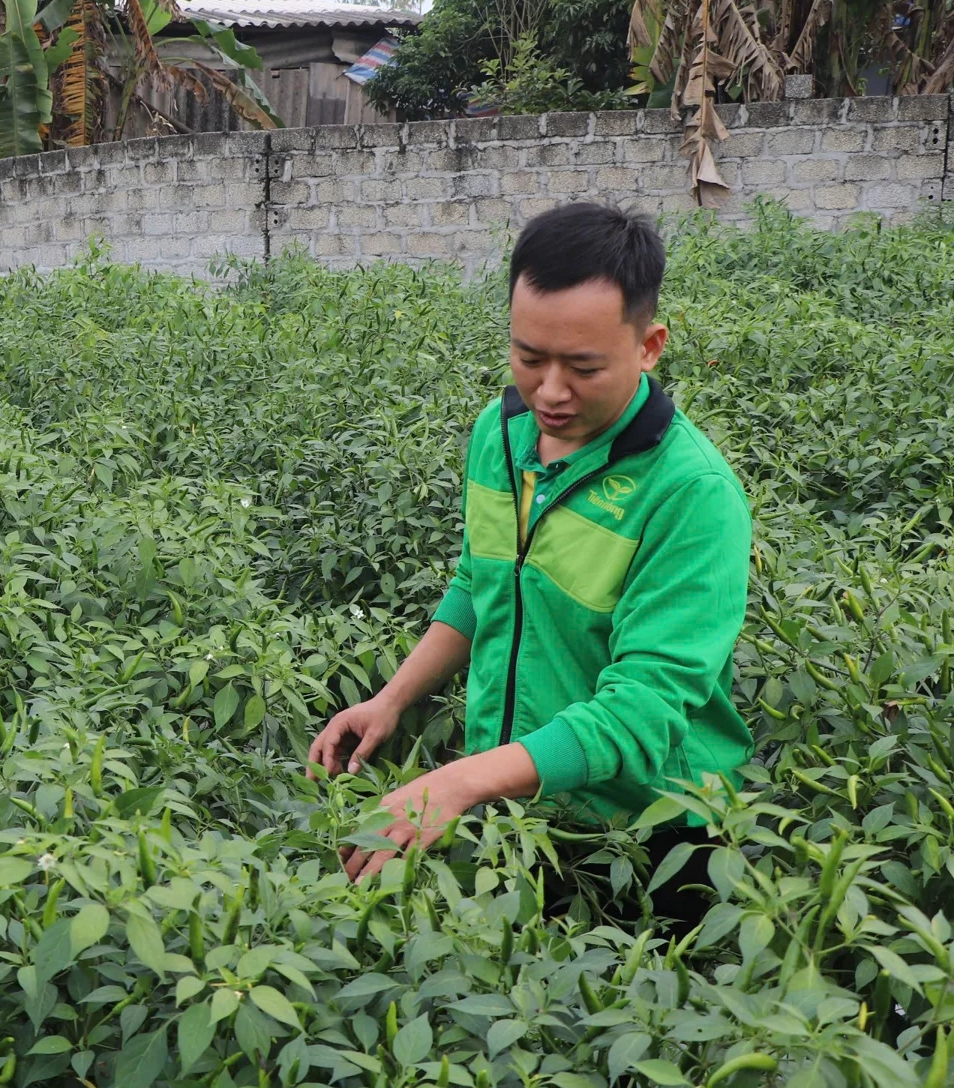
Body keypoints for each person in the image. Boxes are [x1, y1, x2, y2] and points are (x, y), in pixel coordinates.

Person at [309, 202, 752, 927]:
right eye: (529, 357)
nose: (548, 391)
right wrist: (392, 699)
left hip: (650, 833)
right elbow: (482, 583)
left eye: (582, 367)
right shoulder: (502, 432)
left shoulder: (691, 494)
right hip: (516, 806)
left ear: (649, 347)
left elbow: (643, 709)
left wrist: (459, 782)